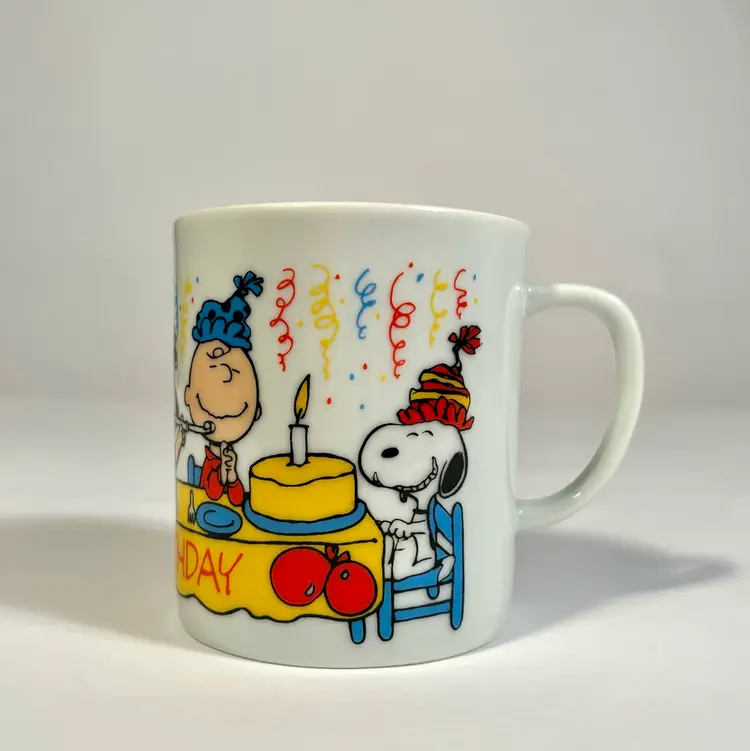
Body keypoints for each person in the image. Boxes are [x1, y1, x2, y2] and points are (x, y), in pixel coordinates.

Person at [184, 271, 264, 505]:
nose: (225, 374)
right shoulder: (208, 457)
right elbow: (212, 494)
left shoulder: (228, 455)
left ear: (257, 410)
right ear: (187, 395)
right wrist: (223, 474)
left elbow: (238, 499)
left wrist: (231, 475)